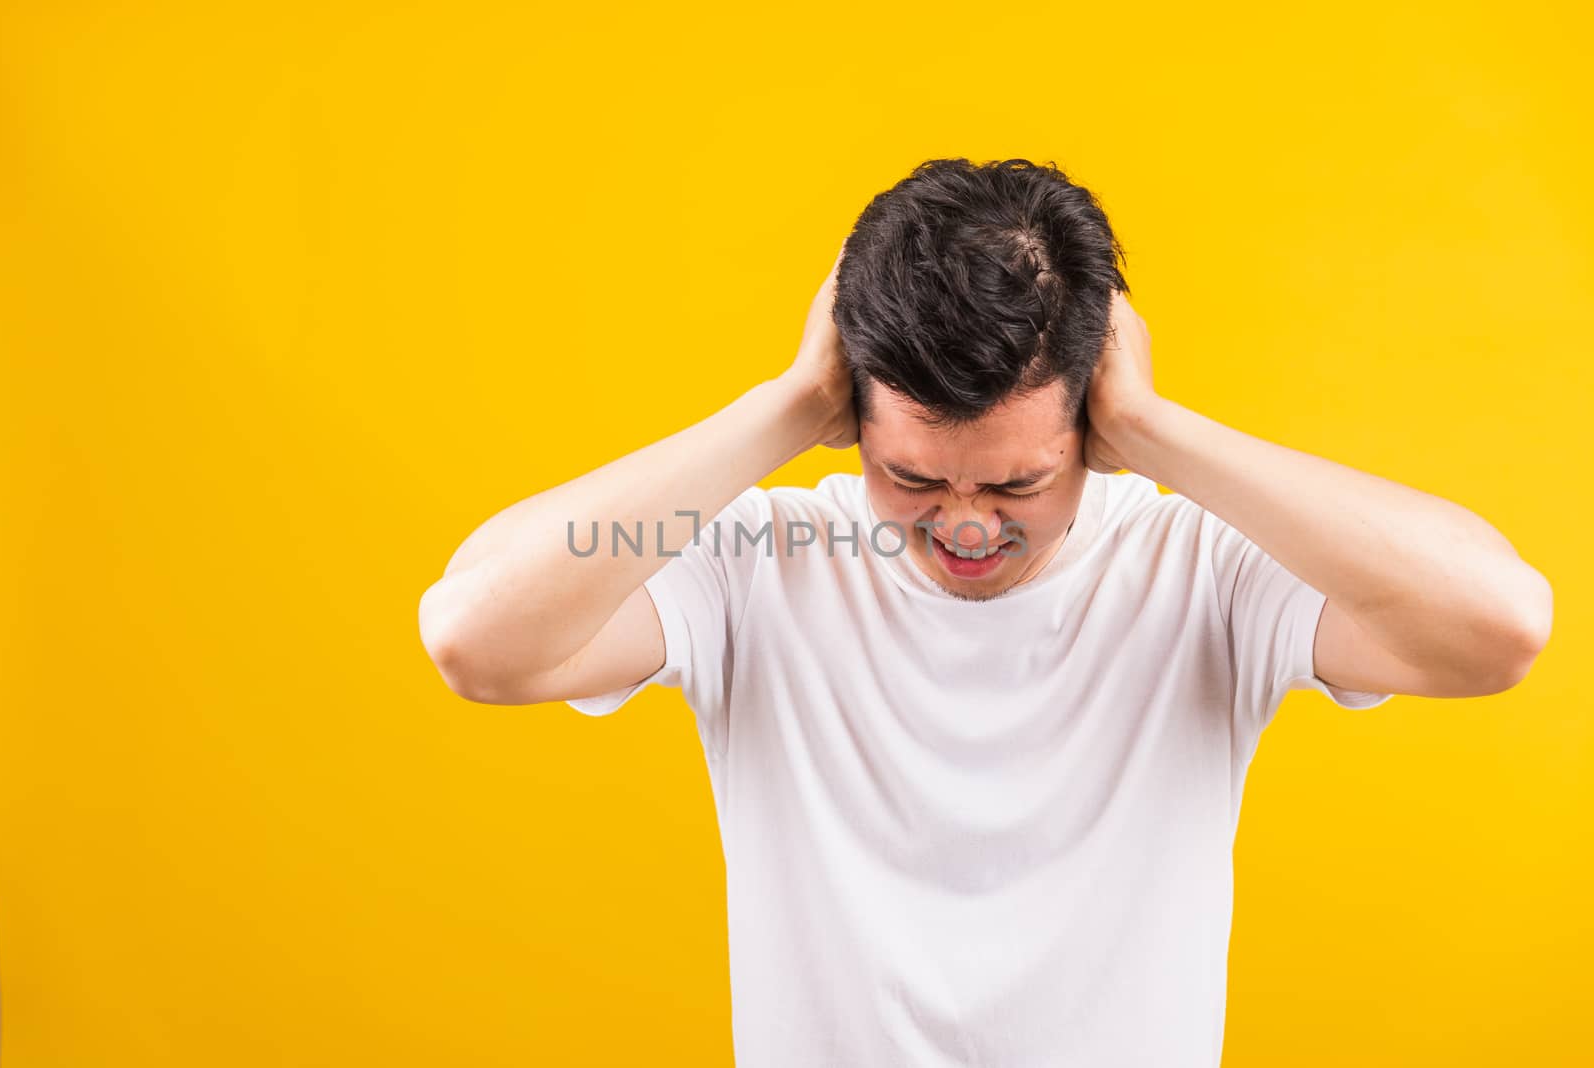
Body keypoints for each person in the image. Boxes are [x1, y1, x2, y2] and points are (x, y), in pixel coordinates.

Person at [417, 158, 1553, 1067]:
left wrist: (1158, 433)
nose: (964, 525)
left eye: (1016, 484)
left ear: (1093, 420)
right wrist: (781, 406)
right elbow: (475, 634)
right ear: (851, 414)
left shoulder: (1200, 566)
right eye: (912, 479)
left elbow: (1497, 624)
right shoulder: (763, 558)